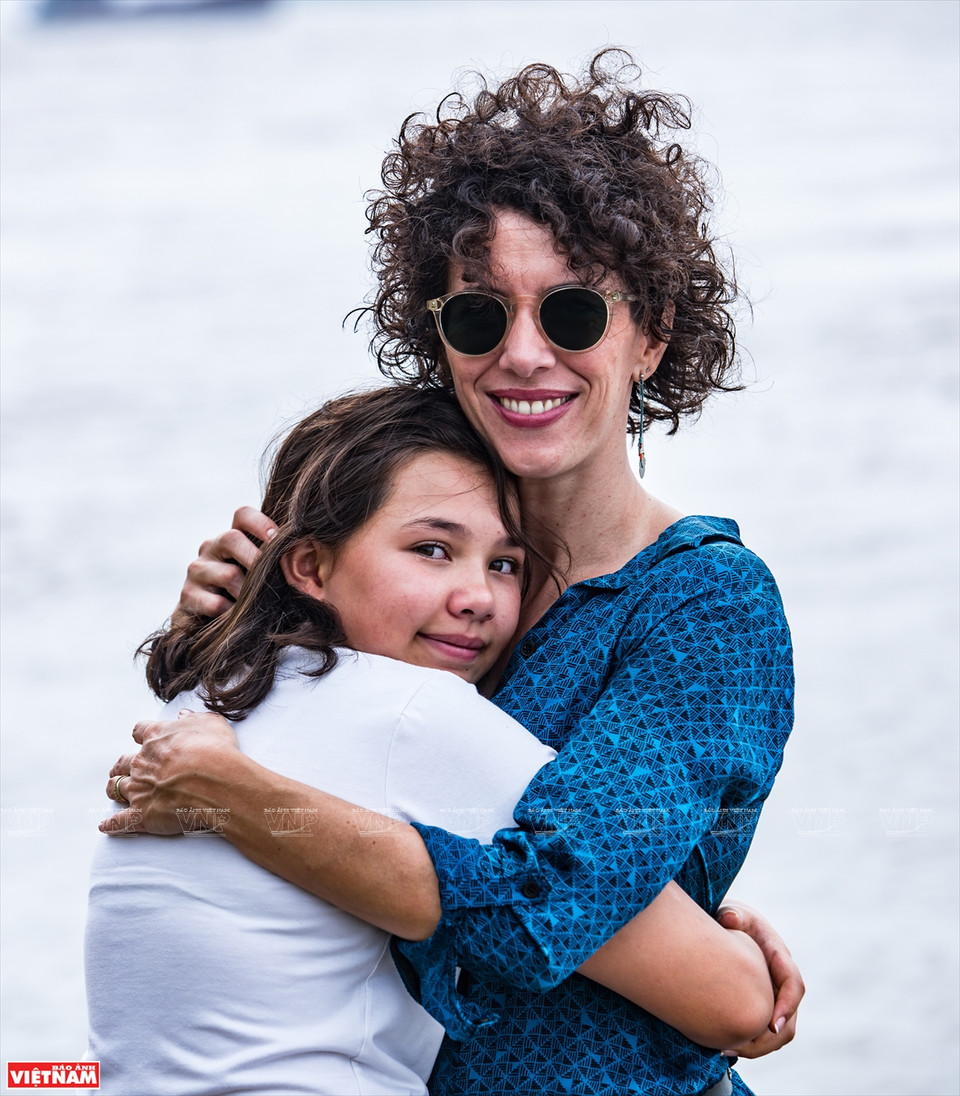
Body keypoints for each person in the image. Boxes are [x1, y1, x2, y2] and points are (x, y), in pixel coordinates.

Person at [104, 51, 800, 1095]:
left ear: (651, 334)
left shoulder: (702, 603)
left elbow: (540, 909)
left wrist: (242, 800)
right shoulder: (431, 595)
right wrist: (230, 626)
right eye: (480, 314)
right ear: (437, 336)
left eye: (571, 312)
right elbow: (279, 747)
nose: (523, 352)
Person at [89, 385, 774, 1096]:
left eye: (504, 564)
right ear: (311, 566)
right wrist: (744, 953)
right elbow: (734, 1002)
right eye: (432, 549)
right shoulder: (415, 713)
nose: (476, 595)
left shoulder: (208, 692)